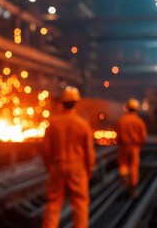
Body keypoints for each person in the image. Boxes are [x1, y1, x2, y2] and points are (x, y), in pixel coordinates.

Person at [41, 86, 95, 228]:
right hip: (77, 168)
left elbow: (46, 151)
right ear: (76, 103)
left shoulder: (52, 124)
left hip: (57, 167)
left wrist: (51, 168)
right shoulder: (82, 125)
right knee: (80, 204)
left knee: (53, 204)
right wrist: (87, 171)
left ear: (62, 103)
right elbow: (89, 153)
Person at [116, 98, 147, 198]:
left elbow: (117, 136)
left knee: (123, 164)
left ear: (128, 108)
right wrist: (139, 145)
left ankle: (124, 180)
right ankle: (132, 187)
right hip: (134, 147)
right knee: (134, 166)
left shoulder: (121, 120)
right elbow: (143, 137)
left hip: (124, 147)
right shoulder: (139, 122)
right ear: (136, 109)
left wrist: (121, 144)